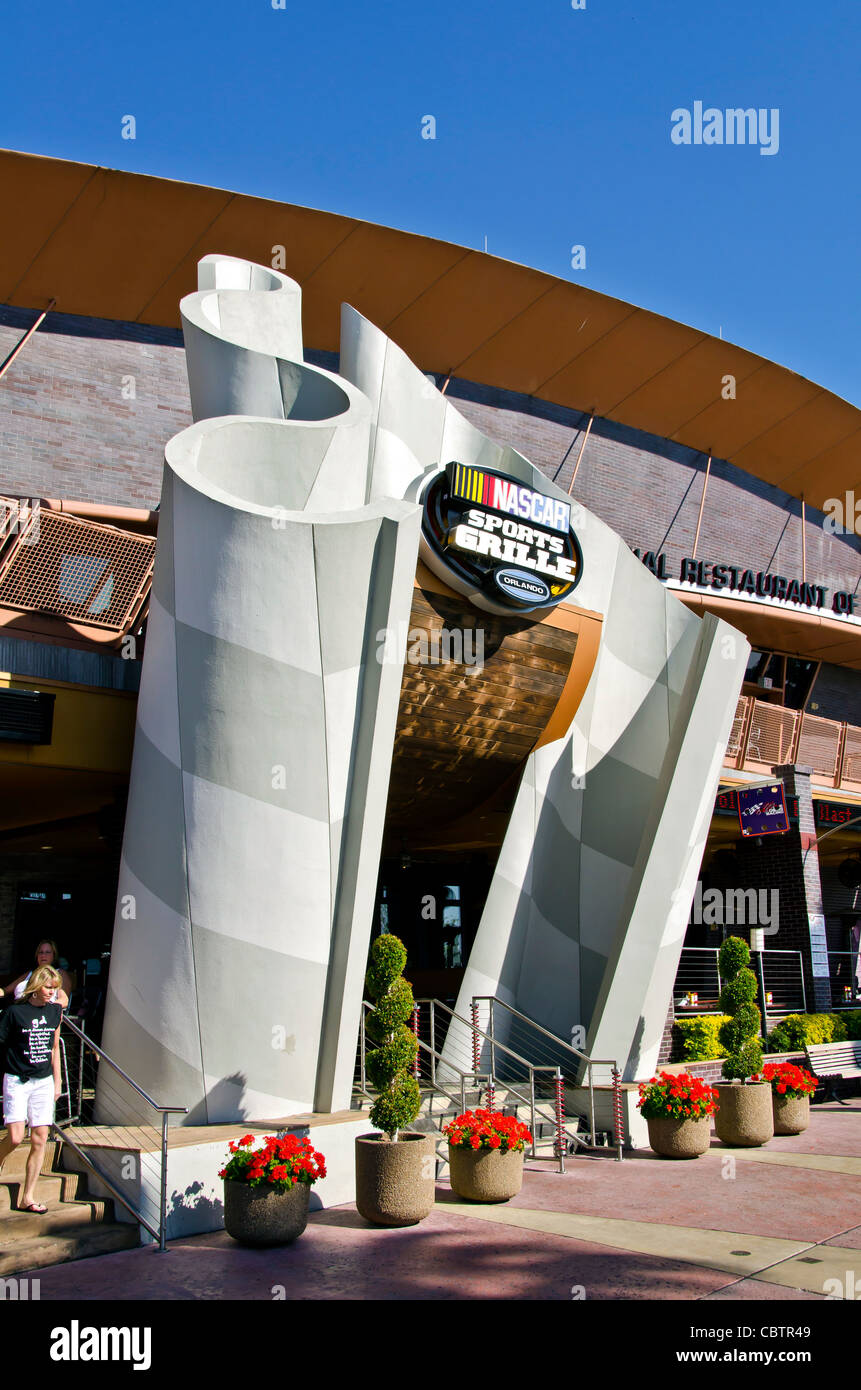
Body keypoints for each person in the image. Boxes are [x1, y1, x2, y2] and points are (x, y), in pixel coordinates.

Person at [0, 966, 64, 1213]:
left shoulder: (55, 1011)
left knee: (40, 1138)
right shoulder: (15, 1012)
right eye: (48, 987)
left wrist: (58, 1081)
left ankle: (28, 1196)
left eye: (54, 987)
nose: (52, 992)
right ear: (37, 986)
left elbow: (54, 1047)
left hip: (43, 1081)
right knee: (15, 1137)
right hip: (17, 1079)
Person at [0, 940, 70, 1009]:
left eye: (47, 952)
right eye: (40, 952)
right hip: (18, 1010)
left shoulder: (59, 974)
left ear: (54, 956)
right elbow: (5, 990)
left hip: (41, 1014)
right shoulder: (30, 973)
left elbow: (64, 1000)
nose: (43, 955)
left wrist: (47, 1010)